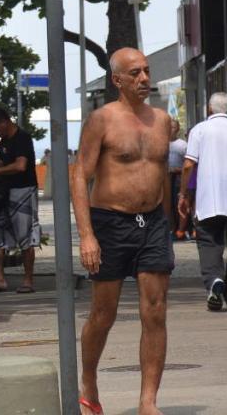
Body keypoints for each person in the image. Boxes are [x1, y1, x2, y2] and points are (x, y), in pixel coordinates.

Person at [71, 48, 173, 415]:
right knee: (104, 313)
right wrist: (87, 235)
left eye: (146, 71)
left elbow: (160, 172)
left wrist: (170, 223)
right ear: (117, 80)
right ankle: (89, 380)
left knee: (156, 311)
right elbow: (79, 176)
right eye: (135, 73)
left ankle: (148, 402)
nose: (145, 78)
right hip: (110, 223)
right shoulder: (102, 120)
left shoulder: (162, 120)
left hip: (153, 225)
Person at [180, 92, 227, 312]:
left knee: (209, 242)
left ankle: (214, 280)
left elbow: (189, 165)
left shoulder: (199, 130)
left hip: (209, 198)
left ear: (209, 109)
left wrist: (184, 194)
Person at [0, 106, 39, 294]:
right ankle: (0, 279)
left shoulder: (22, 138)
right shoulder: (5, 140)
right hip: (4, 192)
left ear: (4, 122)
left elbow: (21, 165)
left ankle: (28, 280)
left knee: (25, 236)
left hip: (23, 191)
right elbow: (7, 162)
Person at [166, 117, 190, 240]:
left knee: (180, 204)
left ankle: (181, 230)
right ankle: (171, 228)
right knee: (168, 205)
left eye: (173, 127)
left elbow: (190, 165)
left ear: (178, 129)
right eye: (168, 127)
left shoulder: (183, 145)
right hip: (165, 179)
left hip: (179, 179)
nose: (170, 130)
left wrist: (178, 170)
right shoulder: (161, 143)